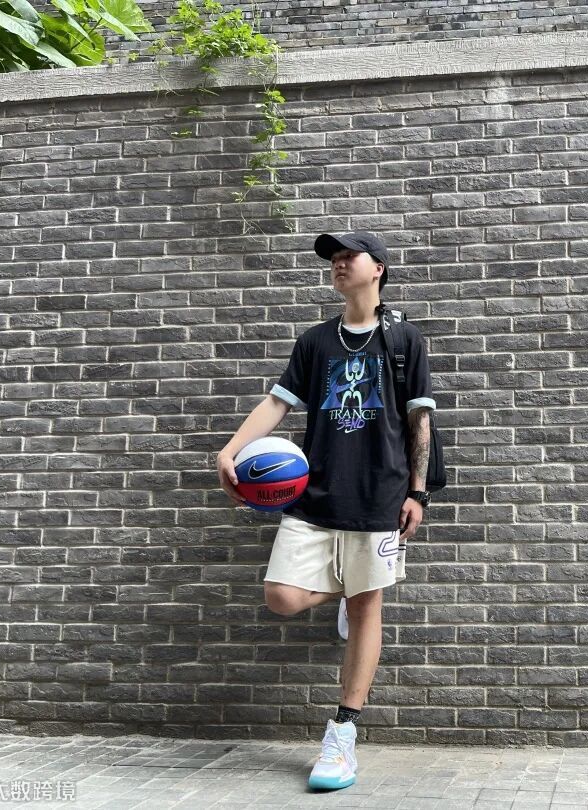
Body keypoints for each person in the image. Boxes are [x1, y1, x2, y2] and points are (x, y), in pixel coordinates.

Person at [215, 231, 436, 791]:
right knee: (282, 596)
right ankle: (349, 587)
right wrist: (231, 449)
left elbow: (420, 422)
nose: (338, 263)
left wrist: (418, 492)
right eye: (333, 258)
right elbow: (278, 402)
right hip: (314, 495)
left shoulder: (404, 339)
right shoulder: (316, 341)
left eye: (348, 256)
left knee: (367, 605)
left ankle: (343, 732)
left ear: (378, 268)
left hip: (379, 495)